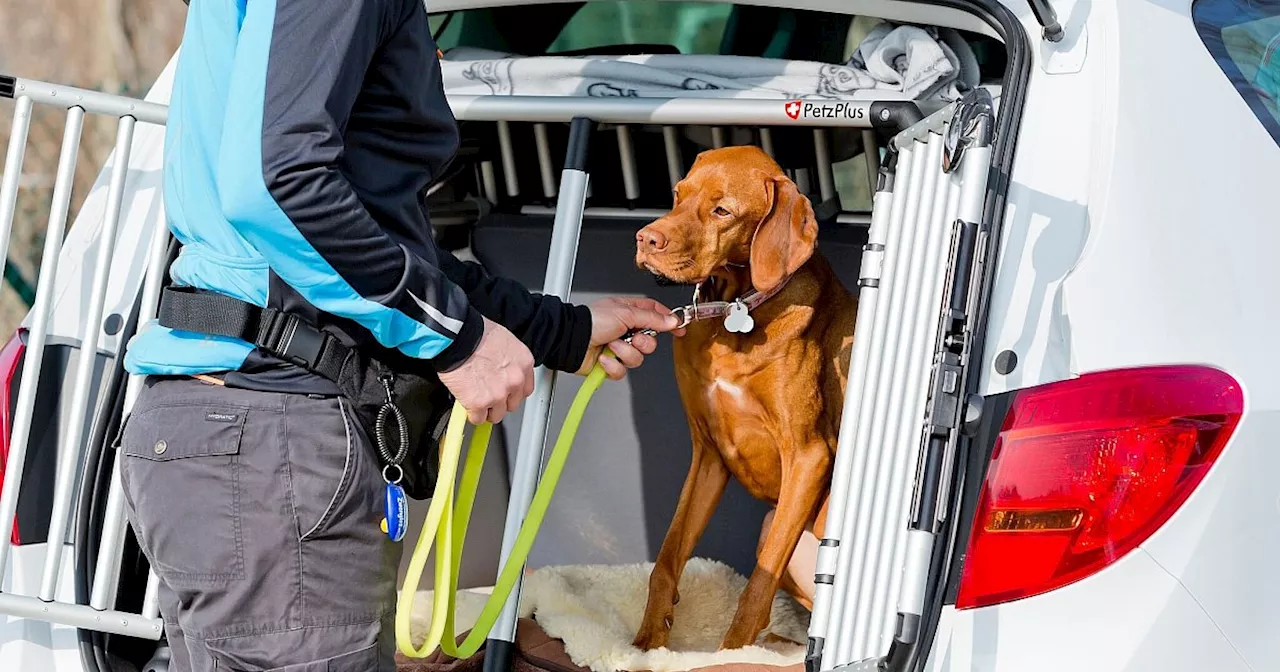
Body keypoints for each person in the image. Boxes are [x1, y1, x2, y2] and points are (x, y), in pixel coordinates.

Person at [117, 0, 678, 669]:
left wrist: (561, 328)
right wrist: (456, 342)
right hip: (277, 442)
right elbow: (280, 185)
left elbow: (362, 238)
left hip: (211, 429)